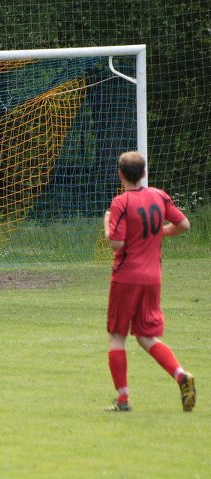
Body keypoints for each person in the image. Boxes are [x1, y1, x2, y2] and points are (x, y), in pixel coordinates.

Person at [103, 150, 195, 412]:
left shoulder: (121, 202)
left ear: (120, 174)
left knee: (117, 337)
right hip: (153, 277)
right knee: (146, 335)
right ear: (143, 173)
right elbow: (184, 225)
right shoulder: (159, 195)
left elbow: (117, 243)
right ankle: (181, 375)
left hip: (127, 277)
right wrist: (158, 232)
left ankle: (123, 400)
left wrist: (107, 223)